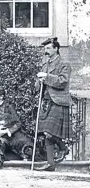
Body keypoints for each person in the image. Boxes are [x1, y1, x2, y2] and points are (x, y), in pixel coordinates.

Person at [35, 37, 71, 172]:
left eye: (49, 48)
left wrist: (47, 77)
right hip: (46, 101)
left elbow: (63, 81)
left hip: (59, 100)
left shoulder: (64, 63)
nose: (46, 50)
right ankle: (51, 164)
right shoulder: (45, 65)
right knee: (46, 133)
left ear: (56, 49)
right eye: (45, 48)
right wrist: (39, 81)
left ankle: (63, 148)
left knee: (48, 132)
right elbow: (38, 85)